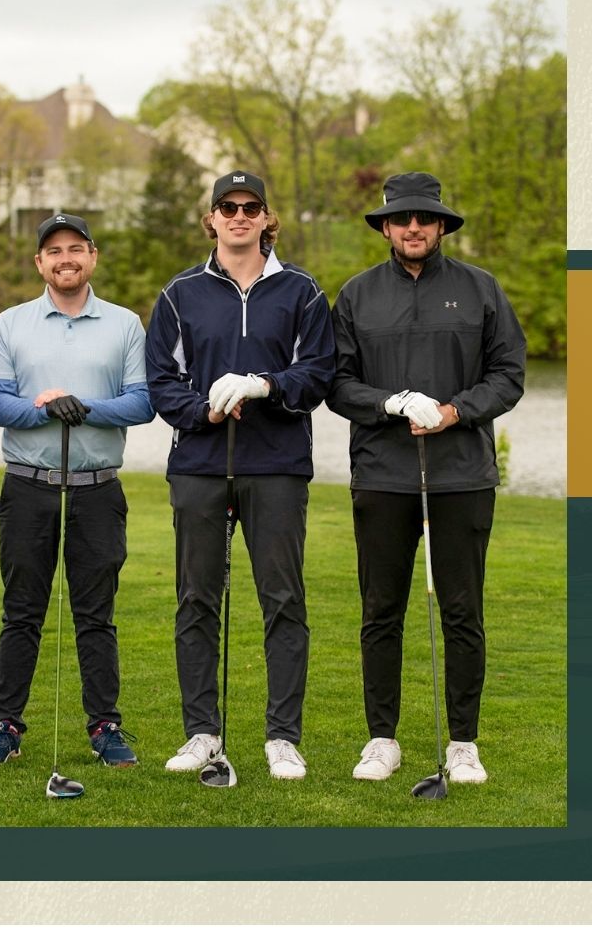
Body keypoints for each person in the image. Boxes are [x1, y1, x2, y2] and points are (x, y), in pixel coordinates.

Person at [327, 171, 526, 785]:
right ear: (386, 226)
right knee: (381, 610)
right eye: (402, 219)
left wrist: (454, 410)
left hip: (461, 475)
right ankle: (381, 738)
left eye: (425, 218)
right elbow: (336, 382)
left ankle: (462, 742)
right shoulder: (357, 295)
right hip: (383, 475)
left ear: (441, 225)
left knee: (463, 611)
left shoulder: (480, 290)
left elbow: (509, 374)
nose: (413, 228)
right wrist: (389, 403)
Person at [146, 171, 337, 781]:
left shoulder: (301, 291)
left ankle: (283, 737)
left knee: (282, 599)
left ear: (265, 217)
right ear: (211, 218)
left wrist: (265, 384)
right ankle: (202, 733)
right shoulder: (180, 294)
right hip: (201, 463)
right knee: (197, 599)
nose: (238, 216)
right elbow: (161, 382)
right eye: (227, 207)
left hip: (276, 465)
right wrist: (203, 409)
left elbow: (318, 374)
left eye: (249, 207)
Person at [0, 213, 152, 771]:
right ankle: (5, 725)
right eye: (54, 251)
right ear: (39, 263)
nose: (65, 258)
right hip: (28, 487)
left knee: (95, 615)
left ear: (93, 256)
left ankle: (105, 725)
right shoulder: (10, 323)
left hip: (97, 491)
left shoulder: (123, 325)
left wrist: (85, 405)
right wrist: (43, 406)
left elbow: (144, 403)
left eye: (76, 248)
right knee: (21, 611)